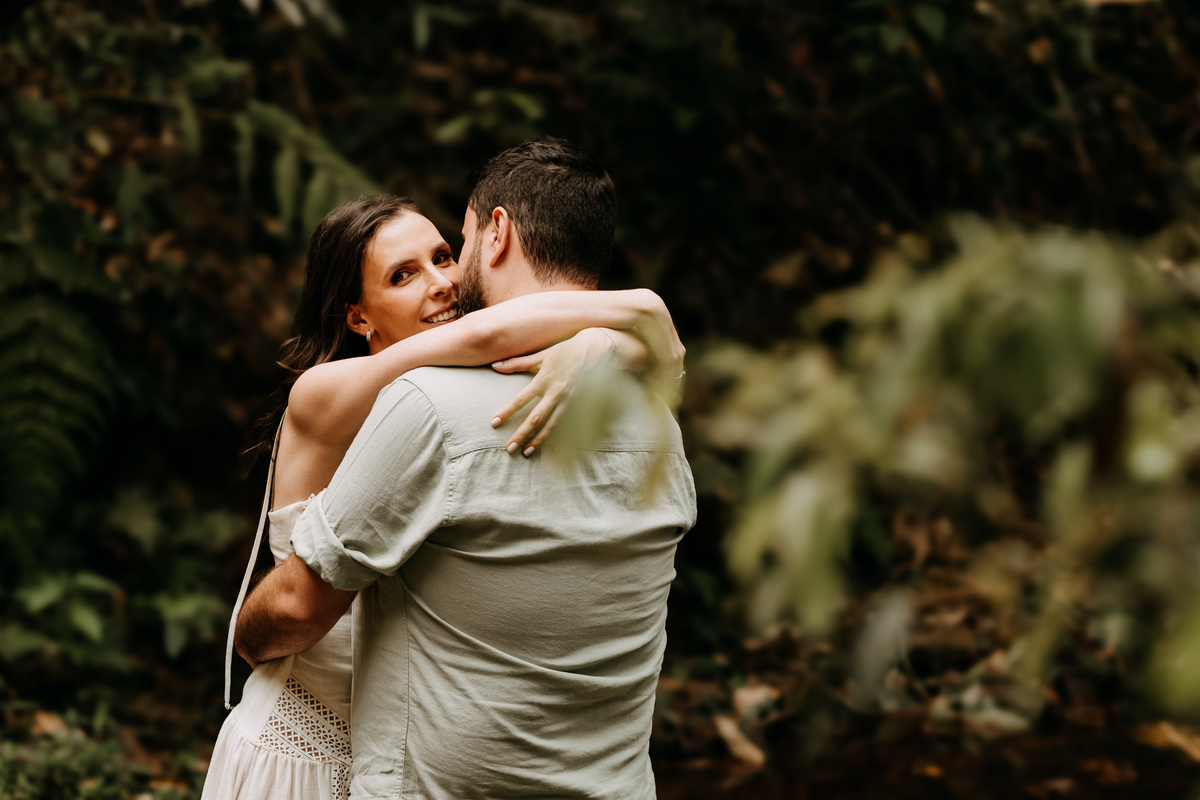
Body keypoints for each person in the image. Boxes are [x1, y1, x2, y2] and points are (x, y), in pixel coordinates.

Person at [234, 139, 697, 799]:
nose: (444, 282)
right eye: (403, 275)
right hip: (306, 743)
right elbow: (485, 336)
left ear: (494, 235)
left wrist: (604, 341)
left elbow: (496, 339)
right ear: (357, 315)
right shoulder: (335, 392)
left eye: (446, 254)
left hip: (392, 754)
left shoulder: (446, 393)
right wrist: (636, 314)